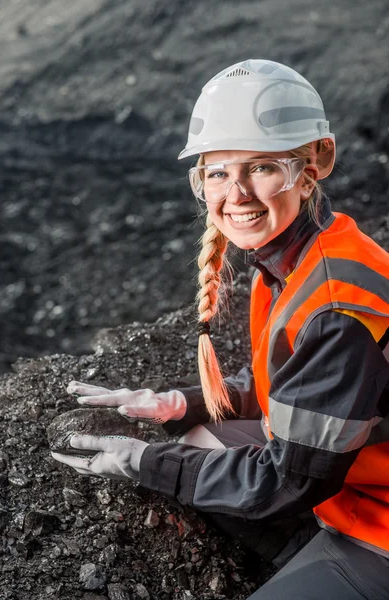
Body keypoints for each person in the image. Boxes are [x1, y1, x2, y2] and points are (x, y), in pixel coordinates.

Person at [51, 59, 389, 599]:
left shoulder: (335, 305)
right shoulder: (297, 259)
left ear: (315, 163)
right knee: (196, 440)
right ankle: (299, 546)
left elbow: (289, 480)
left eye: (261, 167)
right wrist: (178, 403)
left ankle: (324, 556)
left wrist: (144, 460)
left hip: (378, 523)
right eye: (217, 172)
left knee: (183, 464)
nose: (237, 194)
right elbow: (290, 386)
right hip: (345, 478)